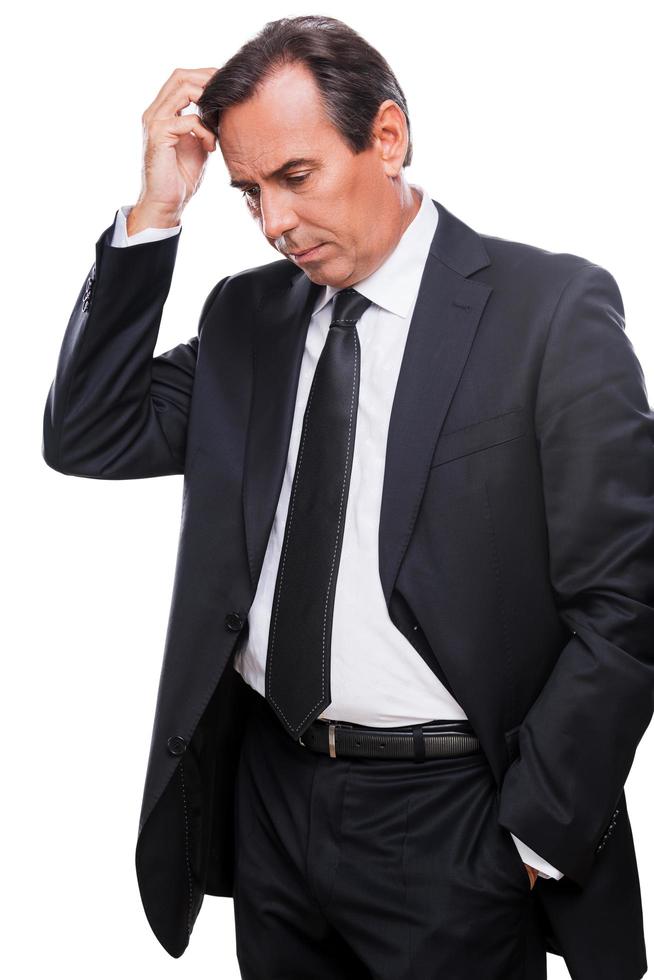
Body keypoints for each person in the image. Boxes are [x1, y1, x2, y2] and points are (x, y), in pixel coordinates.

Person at [42, 14, 653, 980]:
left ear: (388, 137)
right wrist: (156, 212)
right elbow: (89, 433)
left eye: (296, 177)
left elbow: (627, 606)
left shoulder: (551, 312)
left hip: (455, 815)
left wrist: (530, 839)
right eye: (248, 195)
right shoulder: (248, 317)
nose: (275, 223)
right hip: (273, 799)